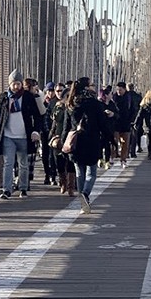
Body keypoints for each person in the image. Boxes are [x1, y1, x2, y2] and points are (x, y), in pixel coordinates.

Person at [60, 77, 109, 214]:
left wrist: (63, 143)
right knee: (91, 172)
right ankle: (85, 194)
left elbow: (66, 125)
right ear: (87, 87)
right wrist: (109, 138)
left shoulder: (71, 102)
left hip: (76, 142)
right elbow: (102, 123)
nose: (94, 87)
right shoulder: (94, 103)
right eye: (91, 85)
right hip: (92, 141)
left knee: (79, 172)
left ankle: (83, 203)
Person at [0, 68, 43, 199]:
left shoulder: (28, 97)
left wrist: (35, 131)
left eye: (18, 84)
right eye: (13, 84)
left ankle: (23, 188)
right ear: (9, 84)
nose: (16, 87)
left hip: (24, 136)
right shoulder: (4, 98)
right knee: (8, 163)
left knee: (23, 163)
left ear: (22, 84)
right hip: (8, 136)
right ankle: (6, 190)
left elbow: (37, 115)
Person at [111, 81, 135, 168]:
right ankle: (112, 157)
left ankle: (123, 160)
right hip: (116, 124)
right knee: (114, 141)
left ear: (125, 89)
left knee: (125, 143)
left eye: (120, 90)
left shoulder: (129, 98)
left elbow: (133, 110)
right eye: (117, 89)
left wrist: (131, 120)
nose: (118, 91)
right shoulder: (113, 98)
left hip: (126, 123)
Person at [133, 89, 151, 162]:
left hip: (147, 124)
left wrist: (136, 123)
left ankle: (149, 153)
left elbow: (139, 115)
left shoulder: (144, 104)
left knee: (148, 139)